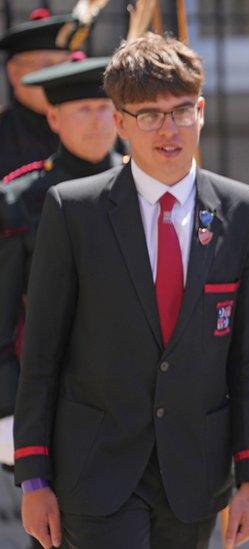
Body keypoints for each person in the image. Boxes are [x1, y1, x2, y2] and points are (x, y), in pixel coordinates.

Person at [14, 33, 249, 549]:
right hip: (95, 469)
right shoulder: (73, 211)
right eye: (148, 115)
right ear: (120, 123)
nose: (168, 130)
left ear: (200, 111)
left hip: (195, 472)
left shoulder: (245, 213)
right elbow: (41, 352)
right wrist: (34, 478)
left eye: (181, 111)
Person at [0, 52, 122, 464]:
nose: (96, 121)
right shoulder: (20, 199)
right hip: (58, 396)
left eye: (106, 108)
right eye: (83, 109)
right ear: (54, 119)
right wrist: (9, 406)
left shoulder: (146, 189)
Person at [0, 8, 75, 178]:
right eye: (46, 66)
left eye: (64, 64)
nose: (57, 75)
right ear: (14, 72)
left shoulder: (91, 124)